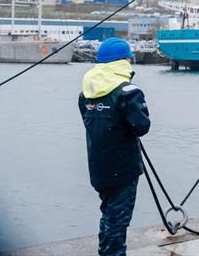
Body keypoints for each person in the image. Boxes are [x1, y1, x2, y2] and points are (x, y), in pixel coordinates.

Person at [79, 37, 150, 256]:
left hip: (99, 169)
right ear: (124, 61)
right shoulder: (129, 92)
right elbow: (142, 126)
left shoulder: (86, 94)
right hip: (124, 169)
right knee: (118, 221)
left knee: (108, 214)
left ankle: (104, 252)